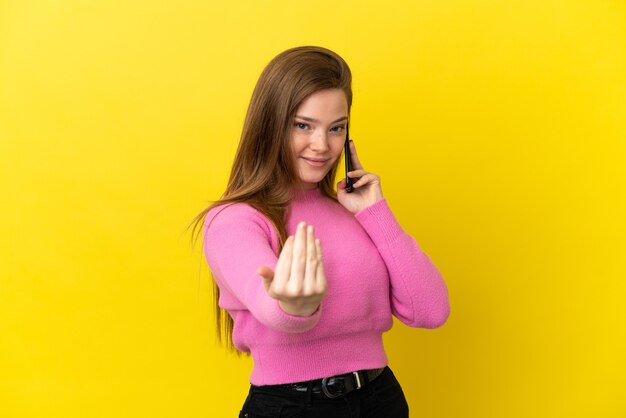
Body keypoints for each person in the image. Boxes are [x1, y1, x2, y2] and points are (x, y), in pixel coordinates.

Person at [189, 45, 451, 417]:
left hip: (381, 398)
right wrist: (294, 304)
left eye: (336, 128)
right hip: (294, 406)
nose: (322, 146)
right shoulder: (235, 220)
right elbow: (268, 303)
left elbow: (431, 310)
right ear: (270, 125)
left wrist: (377, 214)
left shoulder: (353, 212)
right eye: (303, 125)